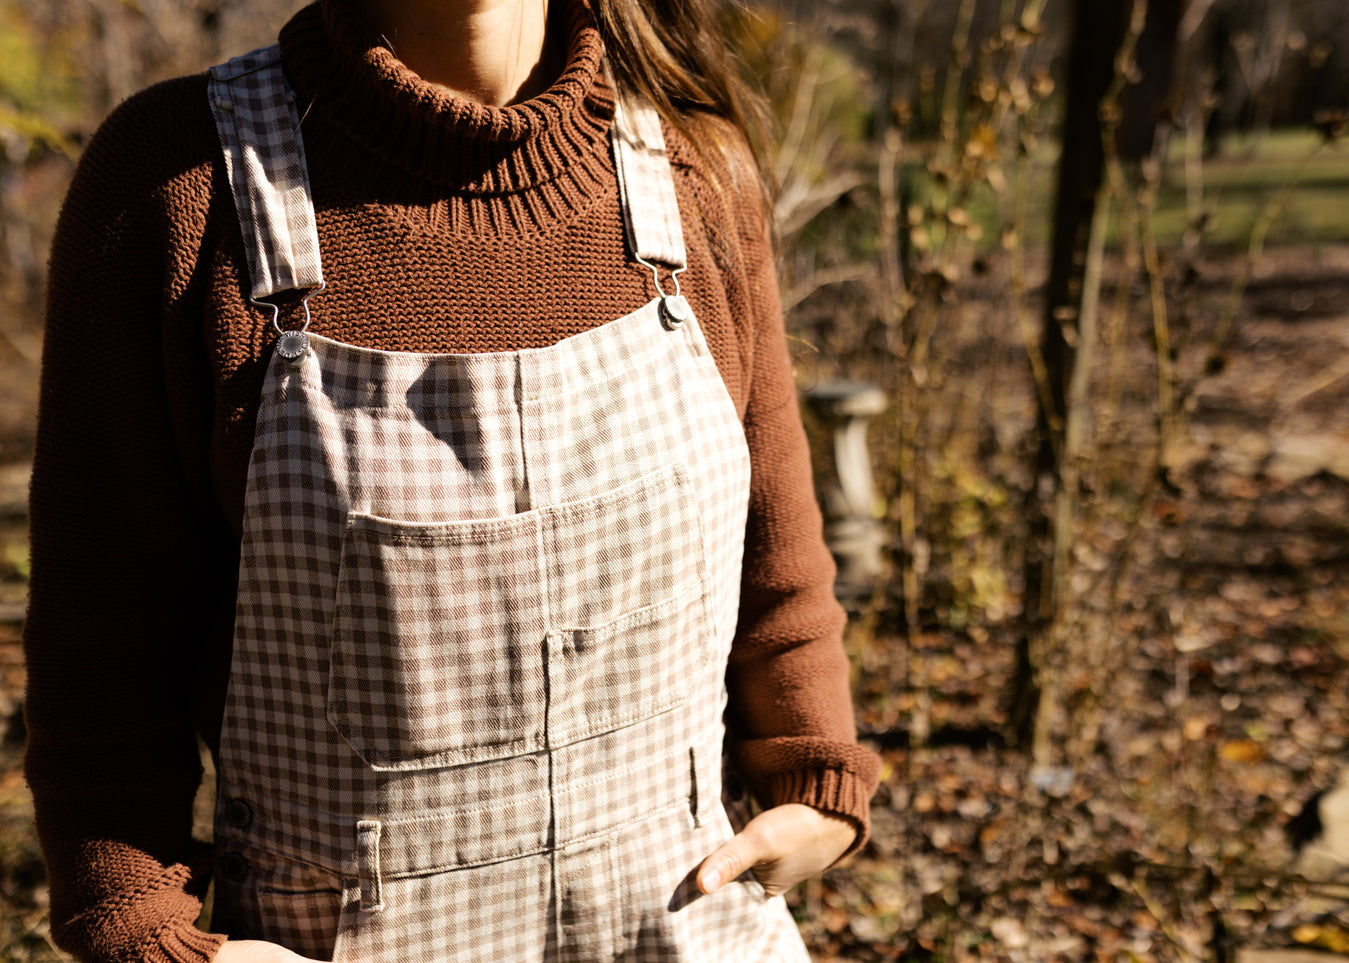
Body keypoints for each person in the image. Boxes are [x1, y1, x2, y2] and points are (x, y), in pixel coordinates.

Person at [23, 0, 881, 960]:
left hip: (687, 924)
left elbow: (777, 552)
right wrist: (141, 929)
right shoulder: (183, 183)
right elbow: (102, 634)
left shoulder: (694, 170)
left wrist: (819, 780)